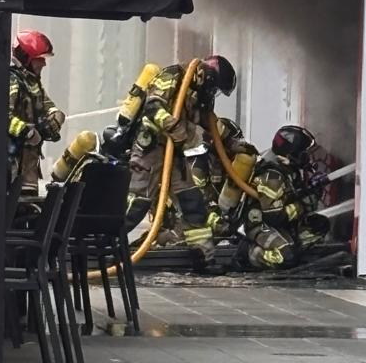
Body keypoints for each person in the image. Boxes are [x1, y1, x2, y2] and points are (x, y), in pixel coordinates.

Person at [125, 53, 237, 263]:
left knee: (192, 201)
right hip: (150, 148)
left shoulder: (196, 93)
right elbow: (153, 106)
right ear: (208, 77)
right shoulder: (175, 75)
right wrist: (173, 126)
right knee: (138, 203)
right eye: (214, 88)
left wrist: (235, 143)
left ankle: (203, 255)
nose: (212, 93)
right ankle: (103, 245)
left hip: (173, 152)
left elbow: (210, 123)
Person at [240, 124, 328, 271]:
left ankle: (290, 248)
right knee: (287, 257)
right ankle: (251, 254)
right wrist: (305, 204)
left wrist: (310, 190)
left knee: (320, 225)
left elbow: (291, 195)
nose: (306, 158)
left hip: (282, 225)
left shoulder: (288, 169)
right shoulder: (272, 176)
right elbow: (274, 216)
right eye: (303, 154)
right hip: (262, 226)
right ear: (289, 154)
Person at [7, 30, 65, 194]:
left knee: (28, 206)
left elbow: (48, 106)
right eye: (39, 59)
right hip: (13, 164)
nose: (43, 64)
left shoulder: (33, 83)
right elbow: (2, 117)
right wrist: (28, 132)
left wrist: (57, 117)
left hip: (29, 164)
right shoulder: (12, 81)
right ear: (26, 59)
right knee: (16, 209)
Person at [189, 114, 257, 239]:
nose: (235, 149)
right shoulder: (198, 165)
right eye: (231, 143)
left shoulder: (240, 162)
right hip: (197, 219)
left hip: (229, 217)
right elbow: (196, 202)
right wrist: (218, 222)